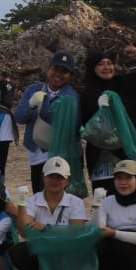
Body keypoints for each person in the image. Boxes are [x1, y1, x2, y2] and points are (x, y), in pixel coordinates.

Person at [78, 46, 136, 190]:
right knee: (104, 201)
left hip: (128, 153)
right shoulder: (87, 94)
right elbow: (86, 125)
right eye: (100, 64)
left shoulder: (126, 84)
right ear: (92, 68)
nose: (106, 67)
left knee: (132, 199)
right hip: (101, 158)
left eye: (109, 63)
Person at [7, 155, 90, 270]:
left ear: (67, 181)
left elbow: (76, 232)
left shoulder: (76, 202)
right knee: (18, 251)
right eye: (51, 176)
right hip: (42, 251)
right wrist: (21, 203)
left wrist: (47, 229)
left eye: (59, 177)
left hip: (65, 251)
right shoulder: (32, 201)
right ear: (43, 177)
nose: (54, 181)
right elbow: (23, 231)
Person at [12, 52, 79, 192]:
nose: (58, 74)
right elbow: (19, 118)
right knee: (38, 193)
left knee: (58, 193)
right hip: (36, 151)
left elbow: (71, 126)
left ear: (70, 76)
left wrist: (47, 105)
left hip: (60, 153)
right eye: (55, 69)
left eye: (64, 72)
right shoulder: (33, 89)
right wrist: (31, 104)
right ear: (48, 69)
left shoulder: (72, 96)